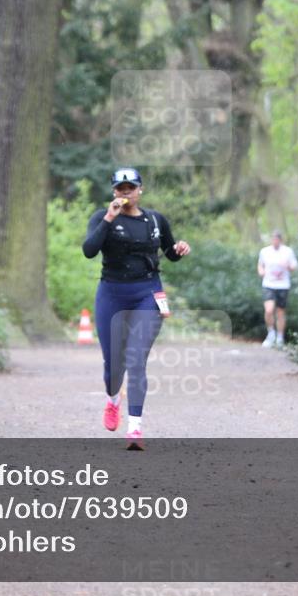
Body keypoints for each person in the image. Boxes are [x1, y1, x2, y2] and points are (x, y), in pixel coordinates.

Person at [82, 167, 191, 450]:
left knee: (136, 360)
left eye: (130, 188)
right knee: (114, 365)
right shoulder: (102, 217)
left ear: (140, 190)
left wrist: (178, 249)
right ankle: (112, 400)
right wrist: (109, 218)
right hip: (112, 294)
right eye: (120, 188)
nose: (125, 192)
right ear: (114, 192)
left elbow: (168, 252)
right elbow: (89, 250)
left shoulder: (155, 220)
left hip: (147, 293)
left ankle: (135, 428)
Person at [257, 230, 297, 349]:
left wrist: (288, 266)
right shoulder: (265, 251)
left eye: (277, 239)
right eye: (273, 239)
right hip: (269, 284)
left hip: (283, 285)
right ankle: (271, 333)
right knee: (269, 310)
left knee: (280, 312)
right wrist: (261, 271)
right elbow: (260, 264)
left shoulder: (287, 251)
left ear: (280, 240)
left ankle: (280, 337)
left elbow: (294, 266)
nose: (275, 241)